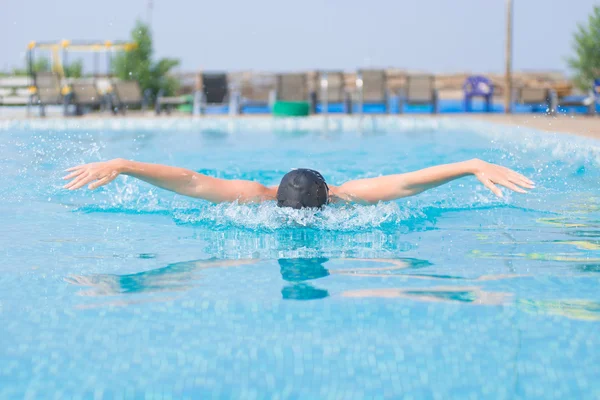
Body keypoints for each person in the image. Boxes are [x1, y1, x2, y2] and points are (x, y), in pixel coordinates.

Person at [62, 158, 534, 208]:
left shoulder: (250, 198)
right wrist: (469, 165)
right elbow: (407, 184)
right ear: (328, 198)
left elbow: (191, 182)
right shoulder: (352, 198)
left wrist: (126, 164)